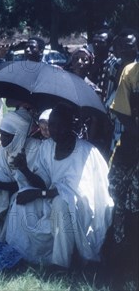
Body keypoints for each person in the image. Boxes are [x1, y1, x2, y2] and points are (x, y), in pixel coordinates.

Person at [15, 103, 113, 268]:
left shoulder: (84, 151)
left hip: (81, 208)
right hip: (52, 198)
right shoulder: (47, 147)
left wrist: (41, 194)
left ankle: (61, 264)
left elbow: (76, 192)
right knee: (21, 197)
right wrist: (25, 169)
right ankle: (22, 252)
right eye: (51, 124)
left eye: (60, 125)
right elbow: (43, 181)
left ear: (71, 125)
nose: (54, 129)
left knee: (61, 203)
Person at [0, 111, 41, 241]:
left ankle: (9, 240)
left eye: (7, 135)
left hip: (31, 193)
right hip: (8, 187)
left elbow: (32, 184)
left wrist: (23, 169)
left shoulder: (35, 148)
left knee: (15, 199)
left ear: (18, 135)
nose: (2, 139)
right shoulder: (4, 147)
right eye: (1, 133)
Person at [106, 60, 139, 284]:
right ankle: (120, 263)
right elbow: (121, 110)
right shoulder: (131, 71)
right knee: (118, 203)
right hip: (129, 145)